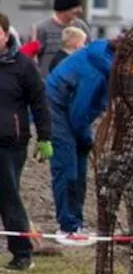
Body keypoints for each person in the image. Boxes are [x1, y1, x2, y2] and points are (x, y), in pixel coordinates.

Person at [44, 36, 113, 245]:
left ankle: (77, 223)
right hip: (55, 108)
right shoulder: (95, 73)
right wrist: (86, 138)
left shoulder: (106, 59)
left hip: (72, 111)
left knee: (80, 169)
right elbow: (79, 113)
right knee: (68, 169)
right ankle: (67, 227)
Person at [0, 14, 52, 271]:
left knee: (7, 194)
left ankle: (22, 253)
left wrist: (45, 137)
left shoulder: (22, 65)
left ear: (5, 34)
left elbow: (40, 102)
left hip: (10, 142)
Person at [31, 0, 90, 76]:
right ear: (63, 9)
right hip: (48, 84)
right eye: (75, 7)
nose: (80, 10)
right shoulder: (41, 29)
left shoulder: (81, 27)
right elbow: (31, 59)